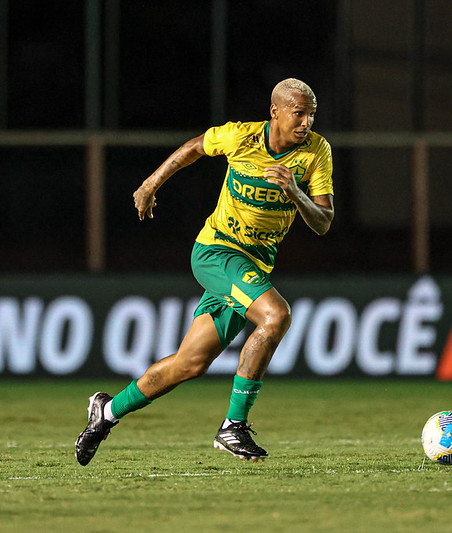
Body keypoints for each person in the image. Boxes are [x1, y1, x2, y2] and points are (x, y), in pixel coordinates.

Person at [75, 78, 334, 464]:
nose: (306, 122)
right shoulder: (240, 138)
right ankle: (234, 426)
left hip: (252, 265)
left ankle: (106, 412)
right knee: (276, 315)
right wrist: (150, 183)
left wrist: (295, 192)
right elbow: (194, 148)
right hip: (217, 251)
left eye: (312, 113)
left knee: (189, 364)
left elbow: (323, 222)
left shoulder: (317, 151)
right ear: (275, 112)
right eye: (299, 113)